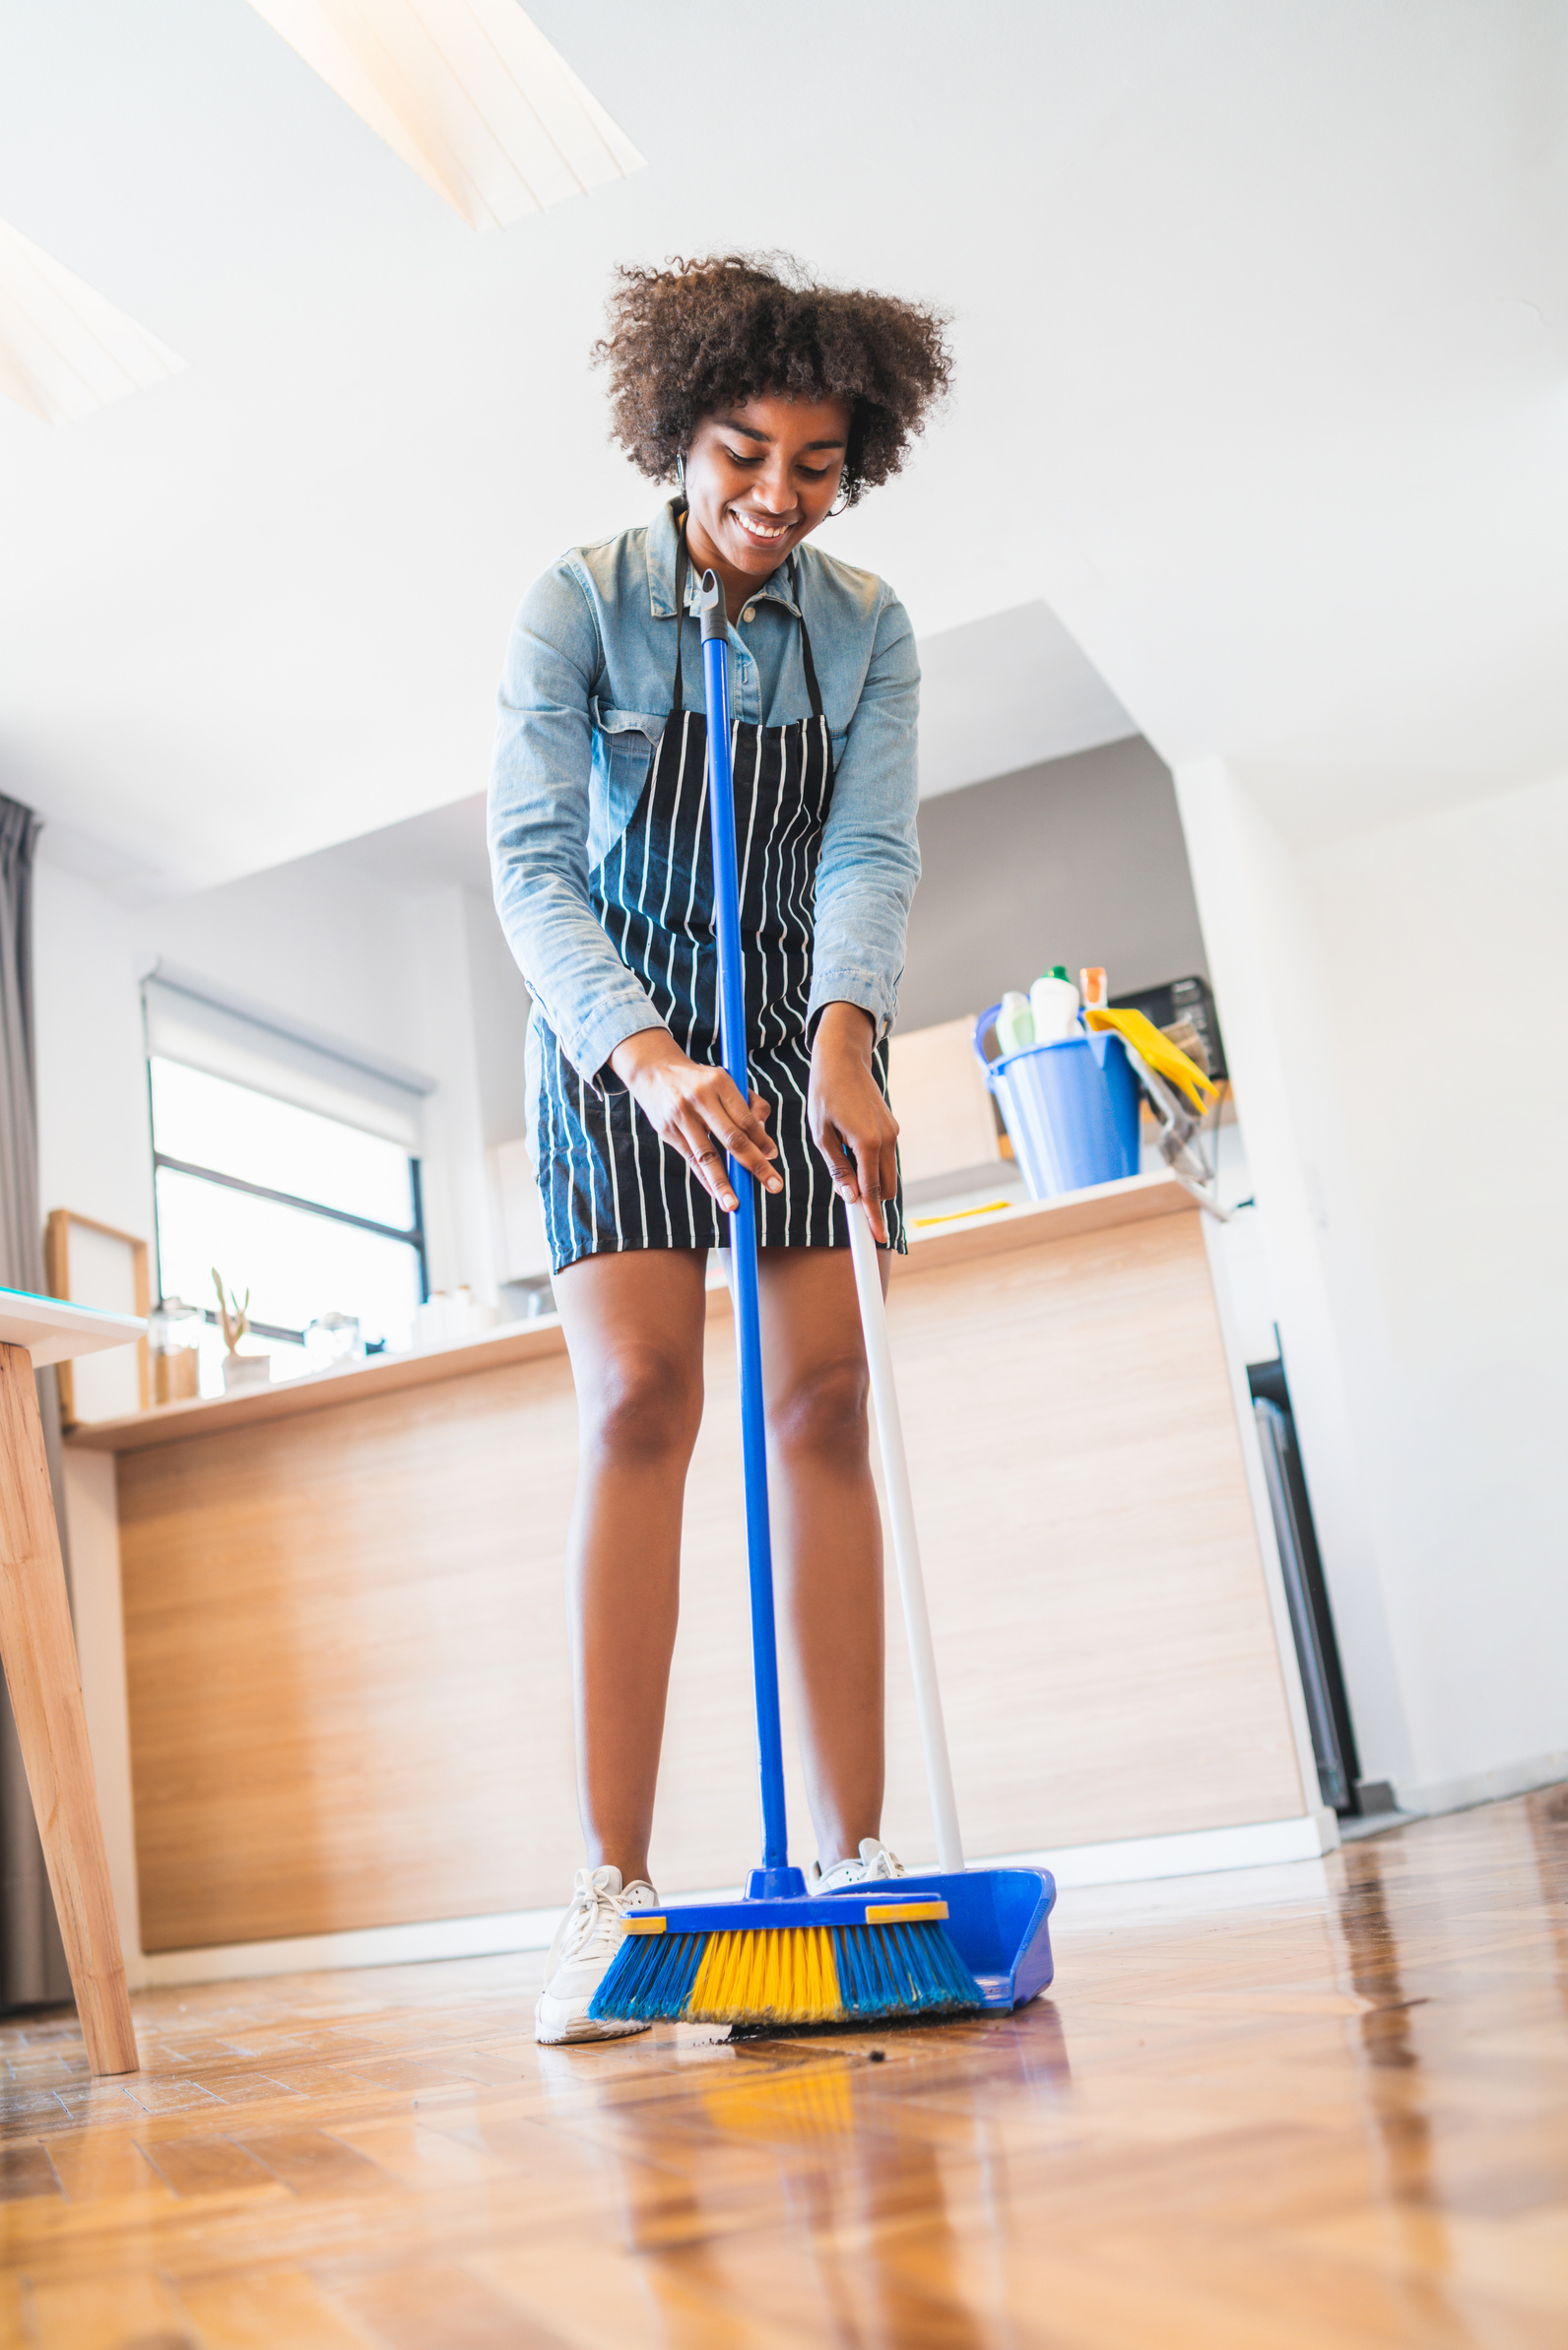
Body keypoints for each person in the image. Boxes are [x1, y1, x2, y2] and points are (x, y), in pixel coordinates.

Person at [489, 253, 950, 2043]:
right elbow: (533, 870)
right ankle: (612, 1883)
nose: (774, 496)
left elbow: (868, 858)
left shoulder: (870, 631)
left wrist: (842, 1043)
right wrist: (657, 1061)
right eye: (743, 452)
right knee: (640, 1405)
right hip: (616, 1023)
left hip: (793, 1022)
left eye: (815, 465)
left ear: (858, 464)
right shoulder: (575, 609)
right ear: (678, 433)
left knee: (820, 1402)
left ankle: (853, 1860)